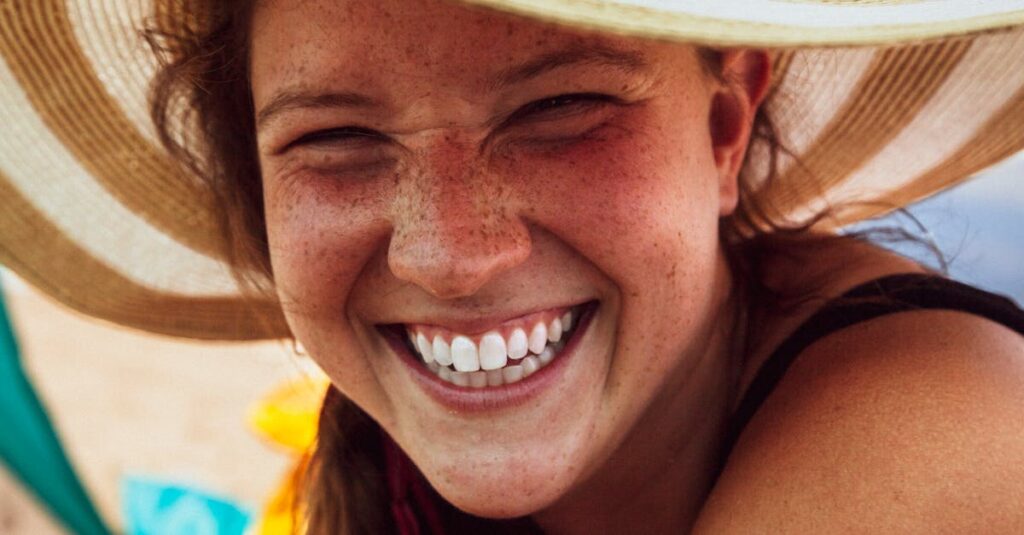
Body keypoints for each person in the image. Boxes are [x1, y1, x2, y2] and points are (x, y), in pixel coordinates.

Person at [2, 0, 1024, 533]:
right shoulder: (377, 466)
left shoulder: (948, 417)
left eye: (558, 111)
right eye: (335, 141)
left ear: (723, 124)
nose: (449, 257)